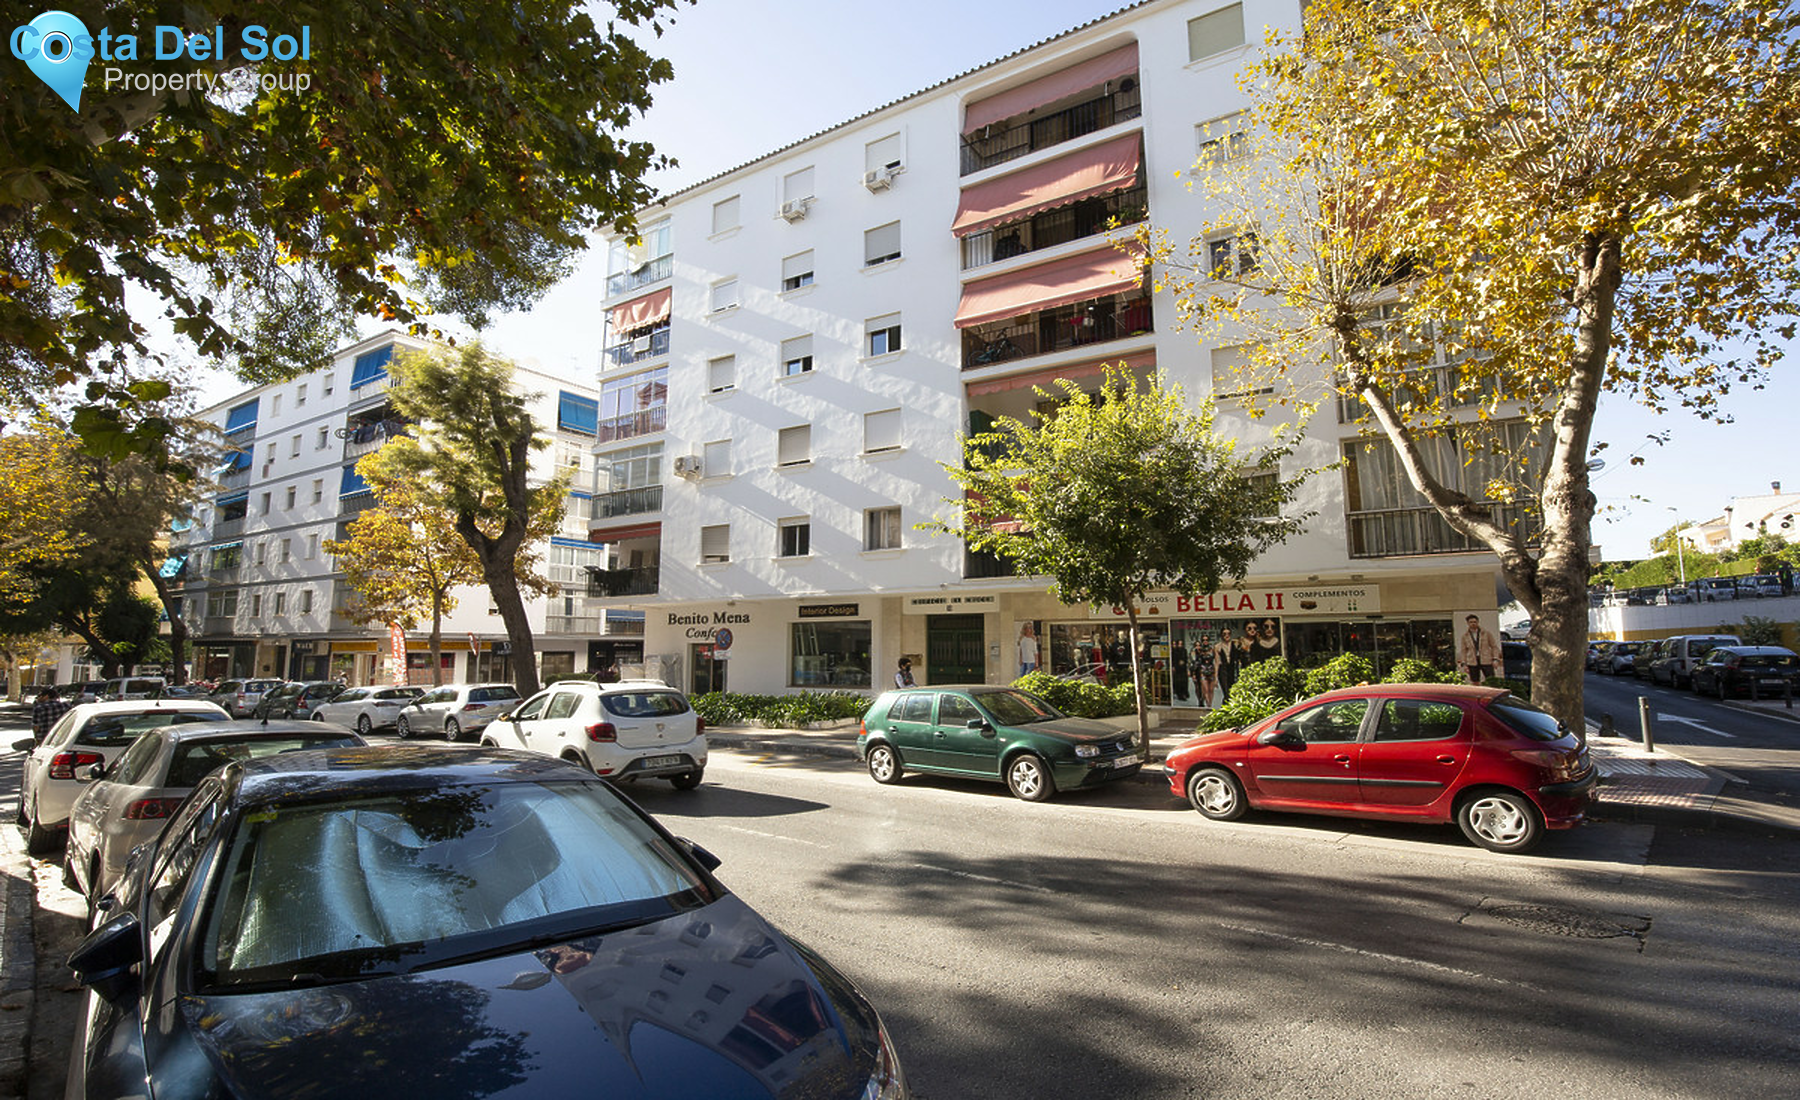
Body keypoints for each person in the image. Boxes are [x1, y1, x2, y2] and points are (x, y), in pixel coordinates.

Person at [1458, 614, 1500, 683]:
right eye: (1471, 622)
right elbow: (1463, 651)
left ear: (1478, 622)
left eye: (1475, 622)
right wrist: (1464, 663)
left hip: (1486, 660)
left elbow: (1494, 646)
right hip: (1472, 661)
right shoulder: (1465, 636)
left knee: (1491, 680)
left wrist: (1495, 659)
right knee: (1475, 681)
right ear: (1468, 623)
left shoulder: (1486, 633)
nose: (1473, 624)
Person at [1214, 628, 1239, 701]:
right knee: (1226, 692)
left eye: (1228, 633)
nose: (1226, 635)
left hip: (1232, 669)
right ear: (1221, 635)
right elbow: (1217, 662)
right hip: (1223, 670)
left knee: (1233, 691)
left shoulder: (1235, 643)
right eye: (1224, 634)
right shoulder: (1218, 646)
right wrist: (1215, 678)